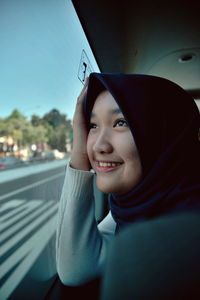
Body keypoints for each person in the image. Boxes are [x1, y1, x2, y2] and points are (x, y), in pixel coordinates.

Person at [56, 73, 200, 287]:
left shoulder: (185, 237)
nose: (98, 146)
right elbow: (76, 268)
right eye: (93, 126)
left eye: (120, 122)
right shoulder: (133, 205)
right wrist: (79, 151)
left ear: (163, 134)